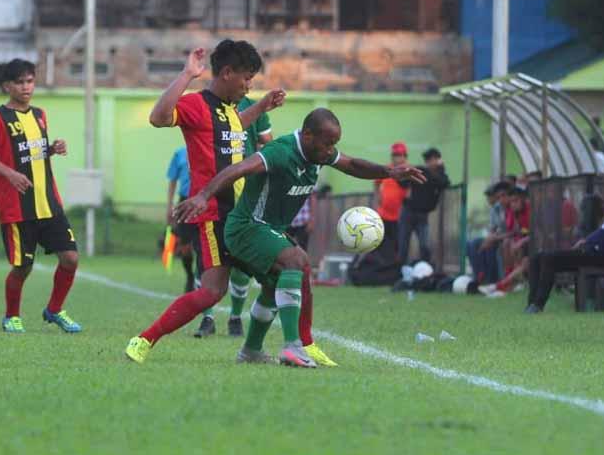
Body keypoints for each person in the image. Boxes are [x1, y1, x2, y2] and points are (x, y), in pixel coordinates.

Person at [173, 108, 425, 366]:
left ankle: (252, 350)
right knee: (295, 260)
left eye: (334, 145)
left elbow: (351, 164)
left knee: (280, 280)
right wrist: (203, 196)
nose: (330, 150)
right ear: (307, 135)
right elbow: (238, 168)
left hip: (269, 228)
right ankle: (293, 347)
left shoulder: (319, 152)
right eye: (327, 143)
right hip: (249, 226)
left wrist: (388, 171)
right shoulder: (281, 151)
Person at [126, 41, 305, 364]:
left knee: (283, 271)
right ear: (226, 73)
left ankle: (262, 348)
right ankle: (144, 340)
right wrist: (186, 75)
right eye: (246, 78)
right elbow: (158, 117)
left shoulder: (228, 111)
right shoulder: (197, 105)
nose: (249, 85)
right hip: (213, 215)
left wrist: (261, 107)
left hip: (243, 216)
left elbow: (233, 130)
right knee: (212, 291)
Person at [0, 58, 82, 334]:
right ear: (7, 86)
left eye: (30, 81)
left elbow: (31, 152)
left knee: (70, 258)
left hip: (49, 202)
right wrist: (10, 175)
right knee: (23, 267)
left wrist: (52, 148)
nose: (26, 87)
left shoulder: (39, 115)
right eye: (20, 82)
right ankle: (11, 316)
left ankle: (55, 310)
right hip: (17, 208)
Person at [198, 93, 275, 338]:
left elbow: (267, 145)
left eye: (251, 77)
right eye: (245, 76)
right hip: (211, 191)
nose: (248, 82)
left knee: (242, 261)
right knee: (209, 260)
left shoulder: (254, 107)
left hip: (245, 195)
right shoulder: (207, 106)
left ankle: (235, 317)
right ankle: (207, 318)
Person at [524, 181, 604, 313]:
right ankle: (531, 303)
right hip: (588, 251)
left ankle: (538, 304)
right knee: (536, 257)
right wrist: (586, 240)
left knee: (549, 258)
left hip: (601, 257)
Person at [397, 148, 450, 267]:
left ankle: (426, 271)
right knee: (403, 245)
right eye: (430, 160)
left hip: (422, 215)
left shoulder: (440, 176)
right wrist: (402, 172)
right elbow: (402, 183)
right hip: (408, 212)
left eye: (435, 160)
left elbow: (444, 183)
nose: (433, 162)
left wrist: (441, 169)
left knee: (424, 245)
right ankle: (399, 273)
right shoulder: (421, 171)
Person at [165, 146, 197, 295]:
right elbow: (172, 180)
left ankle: (203, 278)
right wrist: (170, 205)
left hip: (205, 200)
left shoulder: (208, 147)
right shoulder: (179, 153)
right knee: (185, 246)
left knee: (205, 244)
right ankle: (190, 276)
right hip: (185, 202)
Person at [467, 181, 511, 284]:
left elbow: (513, 231)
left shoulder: (511, 208)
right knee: (473, 243)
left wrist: (491, 239)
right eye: (498, 197)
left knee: (489, 245)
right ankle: (478, 276)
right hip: (497, 237)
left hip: (504, 238)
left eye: (503, 196)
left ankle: (491, 279)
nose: (501, 199)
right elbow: (492, 230)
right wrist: (488, 240)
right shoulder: (495, 209)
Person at [373, 142, 410, 262]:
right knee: (380, 243)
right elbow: (376, 182)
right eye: (395, 155)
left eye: (400, 155)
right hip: (383, 214)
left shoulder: (409, 171)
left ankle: (395, 269)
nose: (398, 158)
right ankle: (381, 268)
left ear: (405, 156)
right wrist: (378, 196)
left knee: (398, 244)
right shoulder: (387, 170)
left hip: (400, 216)